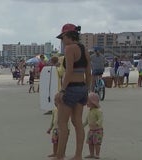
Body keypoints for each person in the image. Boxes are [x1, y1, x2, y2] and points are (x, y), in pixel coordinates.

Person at [55, 23, 91, 160]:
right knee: (77, 122)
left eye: (62, 37)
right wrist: (86, 90)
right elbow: (88, 72)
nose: (62, 41)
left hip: (71, 87)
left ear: (68, 35)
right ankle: (78, 156)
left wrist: (62, 90)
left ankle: (60, 156)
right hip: (82, 87)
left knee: (62, 123)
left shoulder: (69, 49)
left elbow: (69, 71)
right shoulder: (84, 49)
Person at [83, 92, 104, 159]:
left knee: (97, 143)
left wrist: (97, 123)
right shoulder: (90, 111)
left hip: (98, 130)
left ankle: (97, 154)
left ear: (93, 102)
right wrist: (82, 125)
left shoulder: (98, 111)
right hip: (91, 130)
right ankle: (91, 154)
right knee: (90, 143)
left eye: (88, 101)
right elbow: (87, 120)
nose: (86, 103)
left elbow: (101, 118)